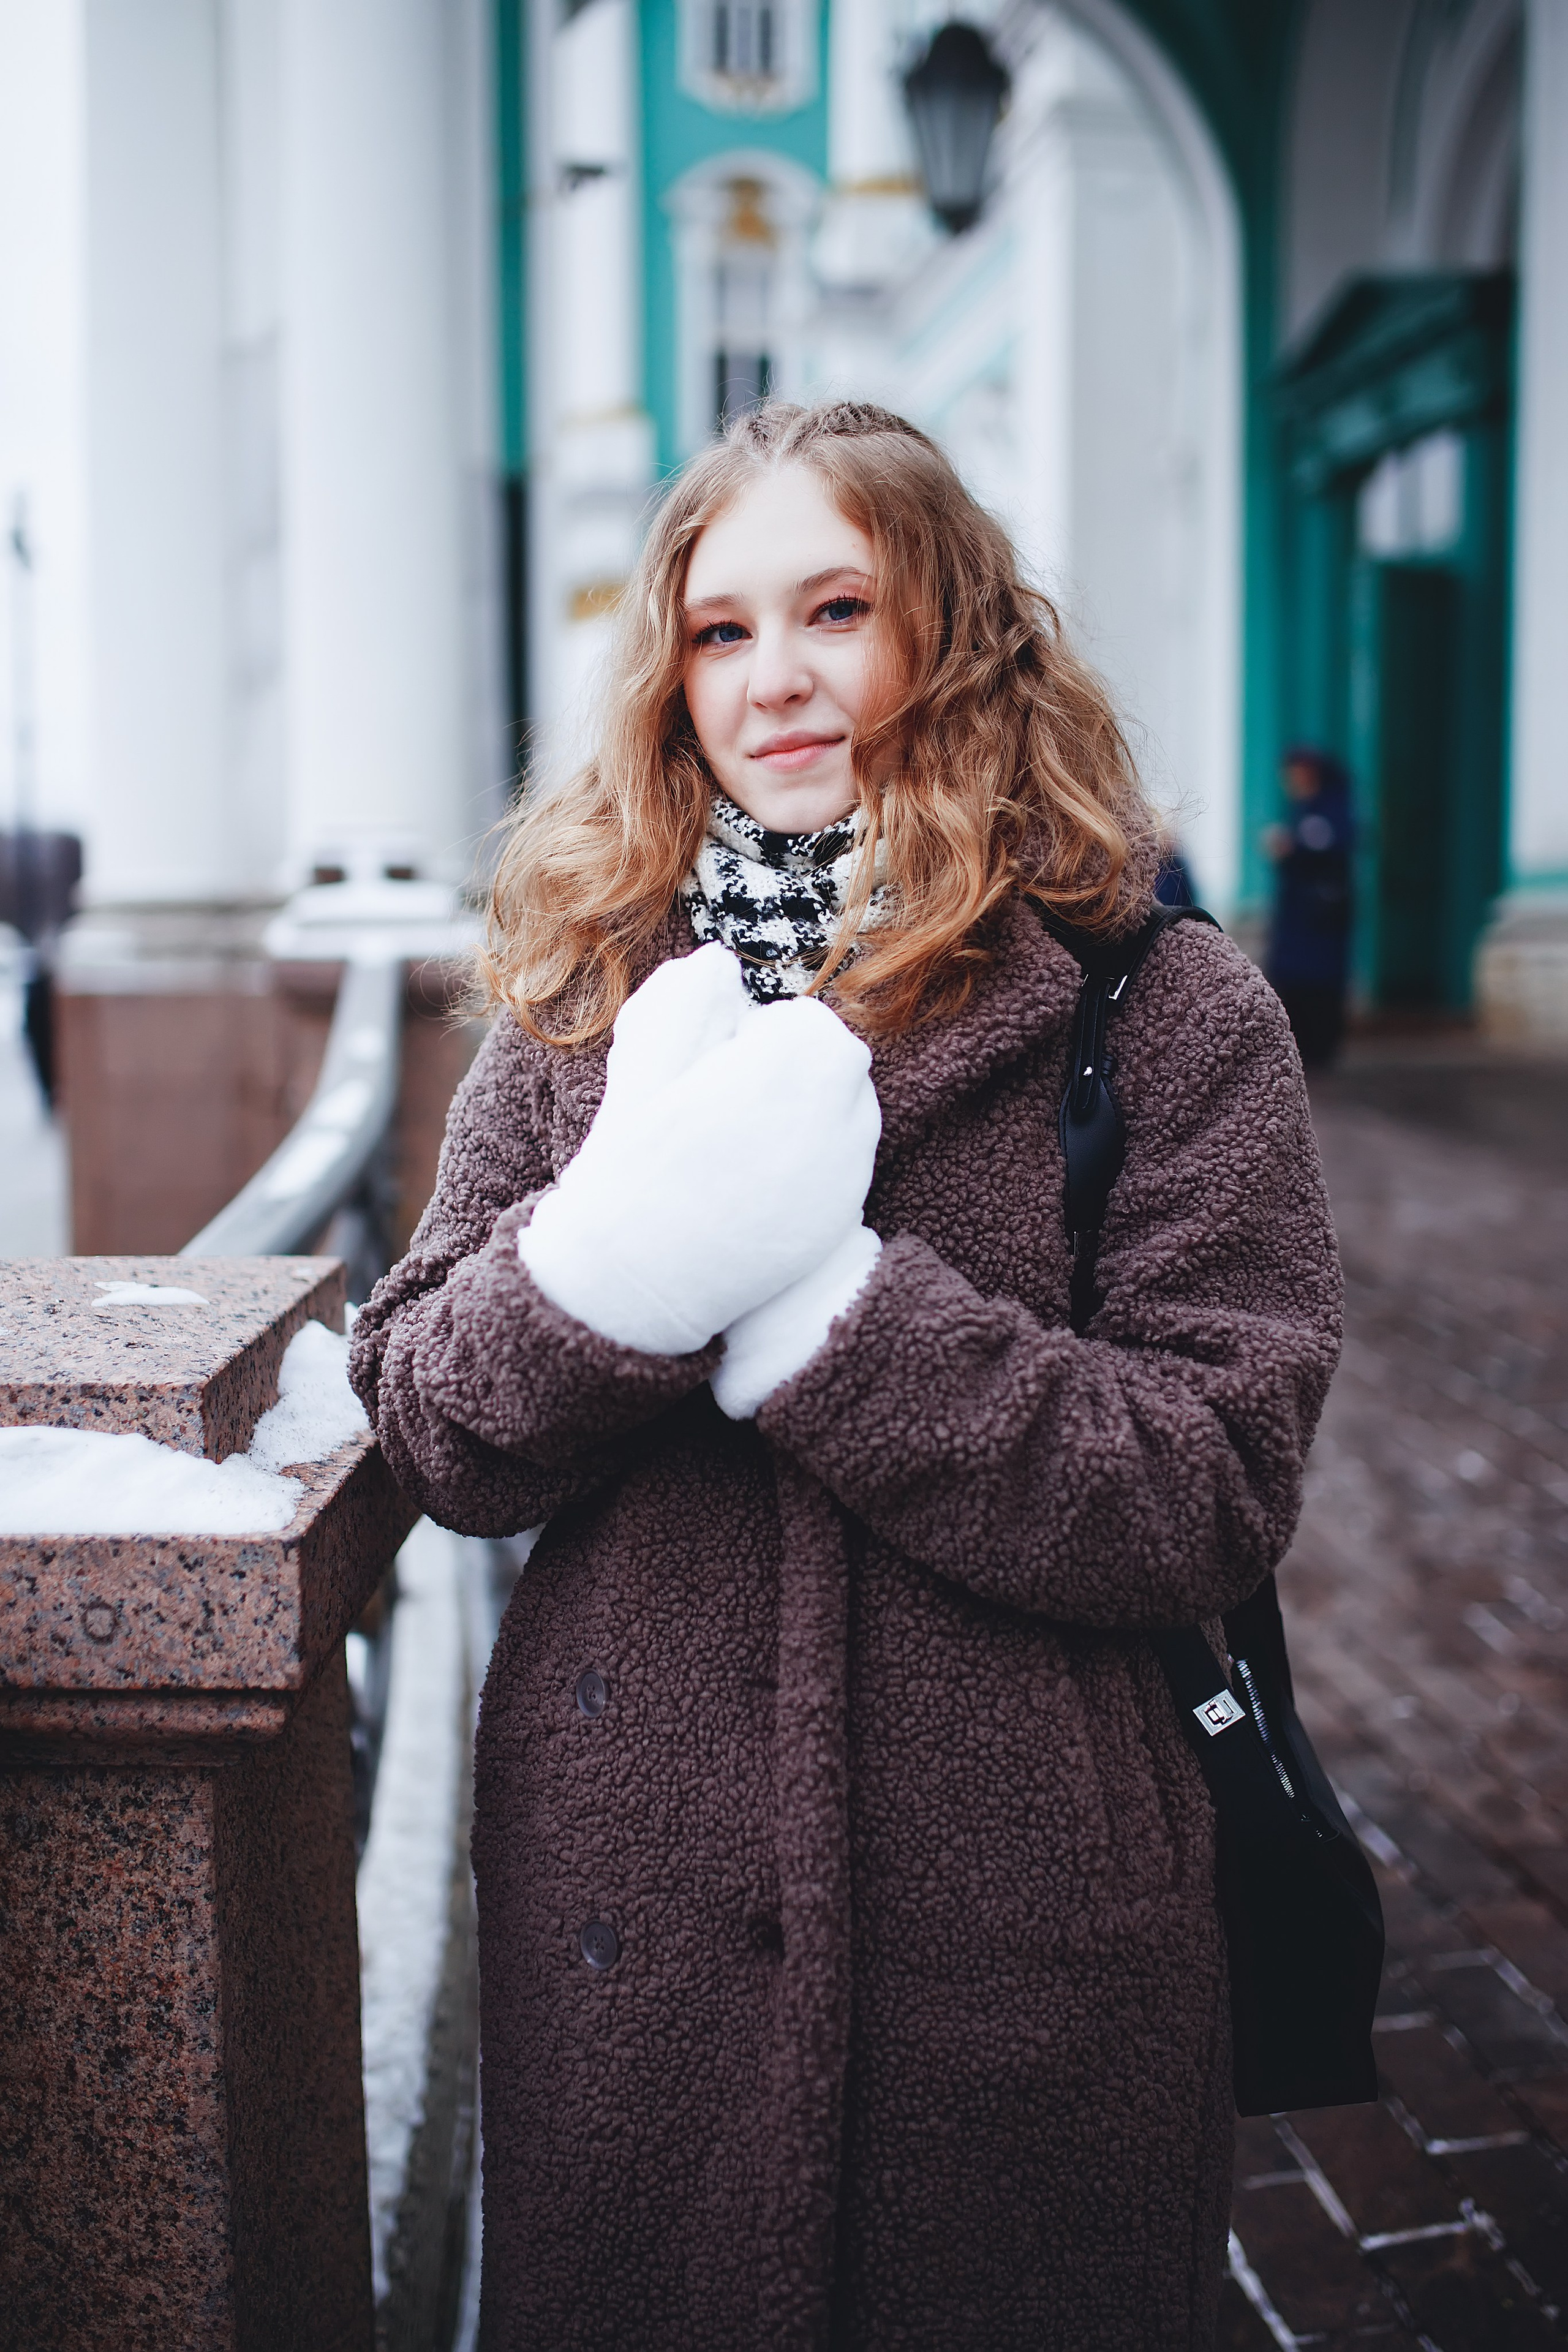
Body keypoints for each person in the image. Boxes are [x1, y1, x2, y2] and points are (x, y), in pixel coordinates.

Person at [349, 401, 1341, 2350]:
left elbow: (1216, 1470)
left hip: (1026, 1914)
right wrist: (617, 1260)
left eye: (836, 609)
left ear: (954, 630)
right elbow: (430, 1419)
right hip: (628, 1894)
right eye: (721, 631)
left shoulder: (1160, 999)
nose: (774, 679)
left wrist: (831, 1316)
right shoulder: (581, 989)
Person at [1263, 746, 1354, 1069]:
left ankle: (1321, 1047)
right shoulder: (1299, 809)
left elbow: (1337, 842)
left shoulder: (1333, 806)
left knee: (1320, 983)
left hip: (1322, 916)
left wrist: (1295, 847)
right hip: (1297, 917)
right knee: (1293, 980)